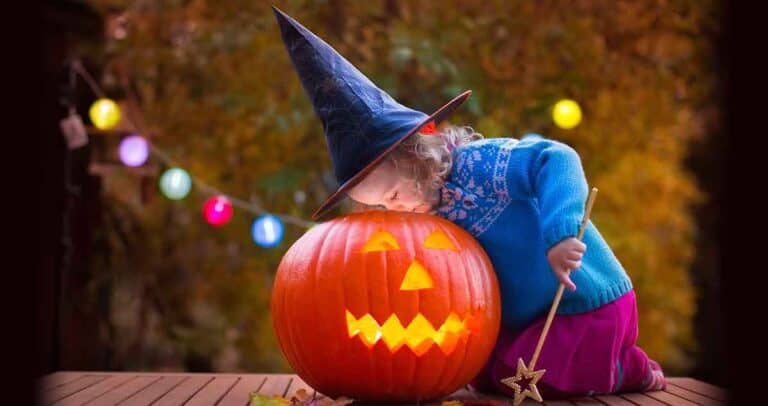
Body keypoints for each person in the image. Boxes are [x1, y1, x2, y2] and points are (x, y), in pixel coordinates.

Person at [273, 6, 666, 398]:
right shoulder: (429, 213)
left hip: (581, 300)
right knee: (491, 377)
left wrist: (560, 235)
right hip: (523, 321)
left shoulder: (480, 164)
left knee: (551, 375)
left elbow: (557, 159)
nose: (394, 210)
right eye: (381, 206)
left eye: (393, 195)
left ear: (415, 157)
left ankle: (628, 368)